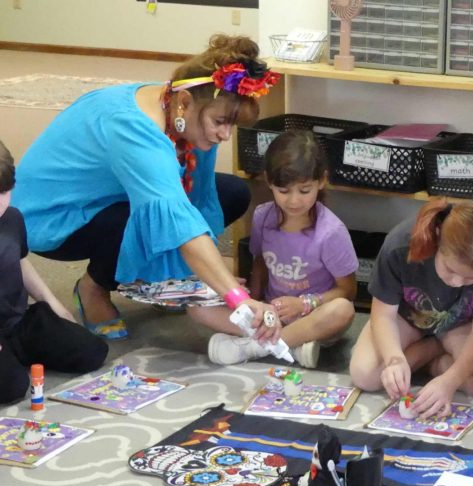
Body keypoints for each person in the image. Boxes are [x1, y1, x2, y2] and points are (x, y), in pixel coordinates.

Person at [11, 34, 282, 345]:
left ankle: (165, 280)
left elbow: (196, 199)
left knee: (231, 193)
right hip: (52, 216)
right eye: (220, 122)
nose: (225, 135)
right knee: (141, 217)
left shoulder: (186, 112)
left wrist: (205, 277)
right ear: (184, 104)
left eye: (231, 125)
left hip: (112, 197)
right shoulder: (133, 127)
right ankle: (91, 288)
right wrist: (234, 296)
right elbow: (174, 219)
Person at [348, 199, 473, 418]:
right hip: (407, 319)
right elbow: (383, 315)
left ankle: (435, 358)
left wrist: (449, 382)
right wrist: (394, 359)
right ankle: (430, 350)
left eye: (471, 278)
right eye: (450, 269)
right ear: (438, 237)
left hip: (459, 326)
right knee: (365, 375)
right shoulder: (400, 246)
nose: (457, 282)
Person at [191, 130, 356, 368]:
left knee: (343, 311)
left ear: (321, 181)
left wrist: (304, 304)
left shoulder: (331, 232)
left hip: (311, 317)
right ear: (269, 181)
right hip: (270, 314)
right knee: (196, 305)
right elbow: (260, 263)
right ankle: (290, 347)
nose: (294, 201)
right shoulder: (263, 216)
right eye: (284, 191)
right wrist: (251, 301)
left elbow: (347, 291)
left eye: (304, 190)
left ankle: (252, 348)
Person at [0, 140, 107, 404]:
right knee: (13, 387)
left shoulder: (11, 218)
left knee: (92, 351)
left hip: (17, 322)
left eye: (3, 193)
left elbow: (20, 261)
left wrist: (53, 304)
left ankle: (15, 356)